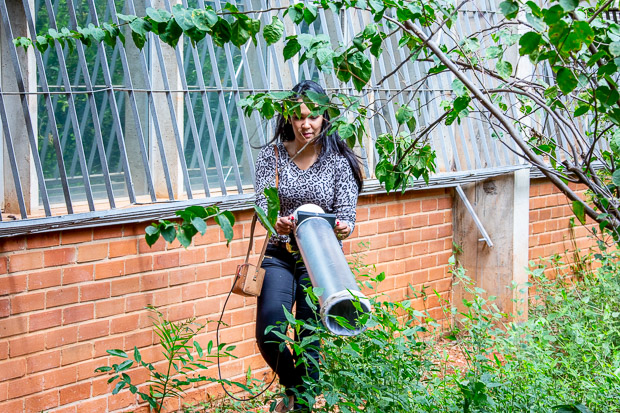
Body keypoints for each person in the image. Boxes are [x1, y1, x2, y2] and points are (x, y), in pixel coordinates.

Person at [254, 80, 363, 412]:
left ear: (325, 116)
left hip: (320, 259)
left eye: (314, 116)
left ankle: (299, 406)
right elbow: (262, 206)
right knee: (270, 329)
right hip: (279, 253)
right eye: (299, 116)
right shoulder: (271, 157)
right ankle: (297, 390)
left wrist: (342, 228)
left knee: (309, 339)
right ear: (288, 117)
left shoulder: (338, 159)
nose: (306, 124)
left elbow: (347, 216)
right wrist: (278, 222)